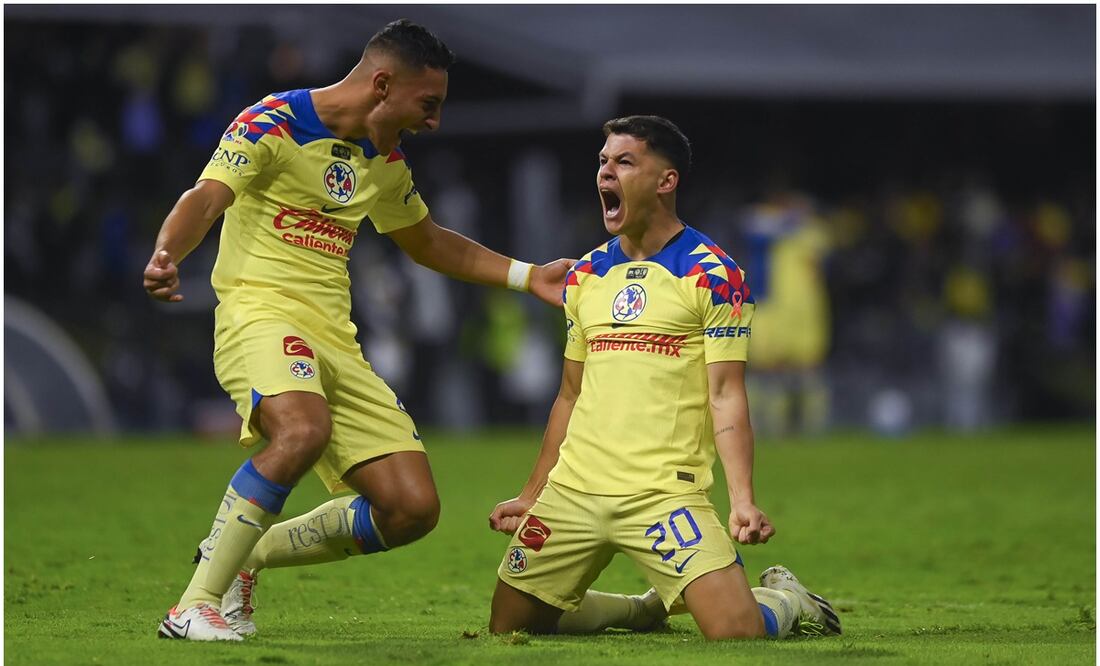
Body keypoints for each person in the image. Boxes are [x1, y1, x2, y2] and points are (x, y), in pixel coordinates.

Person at [143, 19, 572, 641]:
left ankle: (241, 557)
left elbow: (425, 241)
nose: (434, 122)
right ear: (381, 83)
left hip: (335, 340)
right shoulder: (273, 122)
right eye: (428, 104)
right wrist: (167, 254)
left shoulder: (383, 160)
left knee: (410, 508)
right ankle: (193, 605)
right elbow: (207, 196)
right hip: (259, 314)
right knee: (302, 429)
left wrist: (526, 276)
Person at [486, 116, 841, 640]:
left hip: (662, 495)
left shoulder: (712, 273)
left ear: (665, 181)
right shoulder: (585, 274)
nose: (606, 173)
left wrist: (742, 498)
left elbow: (725, 394)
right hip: (575, 490)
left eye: (624, 162)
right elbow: (570, 393)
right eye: (603, 162)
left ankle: (787, 601)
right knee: (511, 628)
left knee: (736, 634)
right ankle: (642, 610)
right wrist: (531, 492)